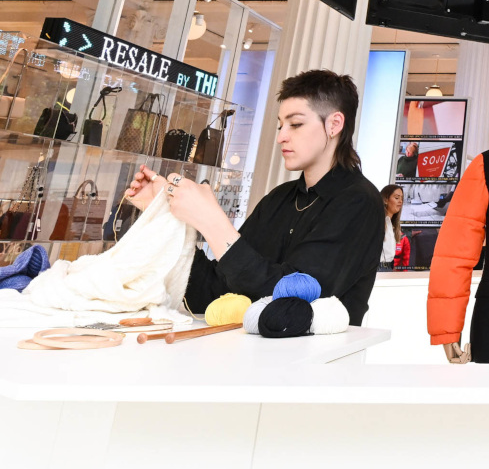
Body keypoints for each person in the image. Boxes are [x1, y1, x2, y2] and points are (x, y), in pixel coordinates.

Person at [122, 68, 384, 324]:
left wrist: (211, 220)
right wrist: (163, 212)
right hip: (247, 360)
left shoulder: (359, 202)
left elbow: (293, 303)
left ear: (335, 124)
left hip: (317, 363)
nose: (281, 136)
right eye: (280, 125)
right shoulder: (278, 199)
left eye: (295, 124)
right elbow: (209, 294)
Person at [380, 184, 411, 271]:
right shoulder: (378, 222)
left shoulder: (392, 225)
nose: (400, 201)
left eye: (402, 198)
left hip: (389, 267)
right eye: (397, 198)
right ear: (385, 200)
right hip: (377, 268)